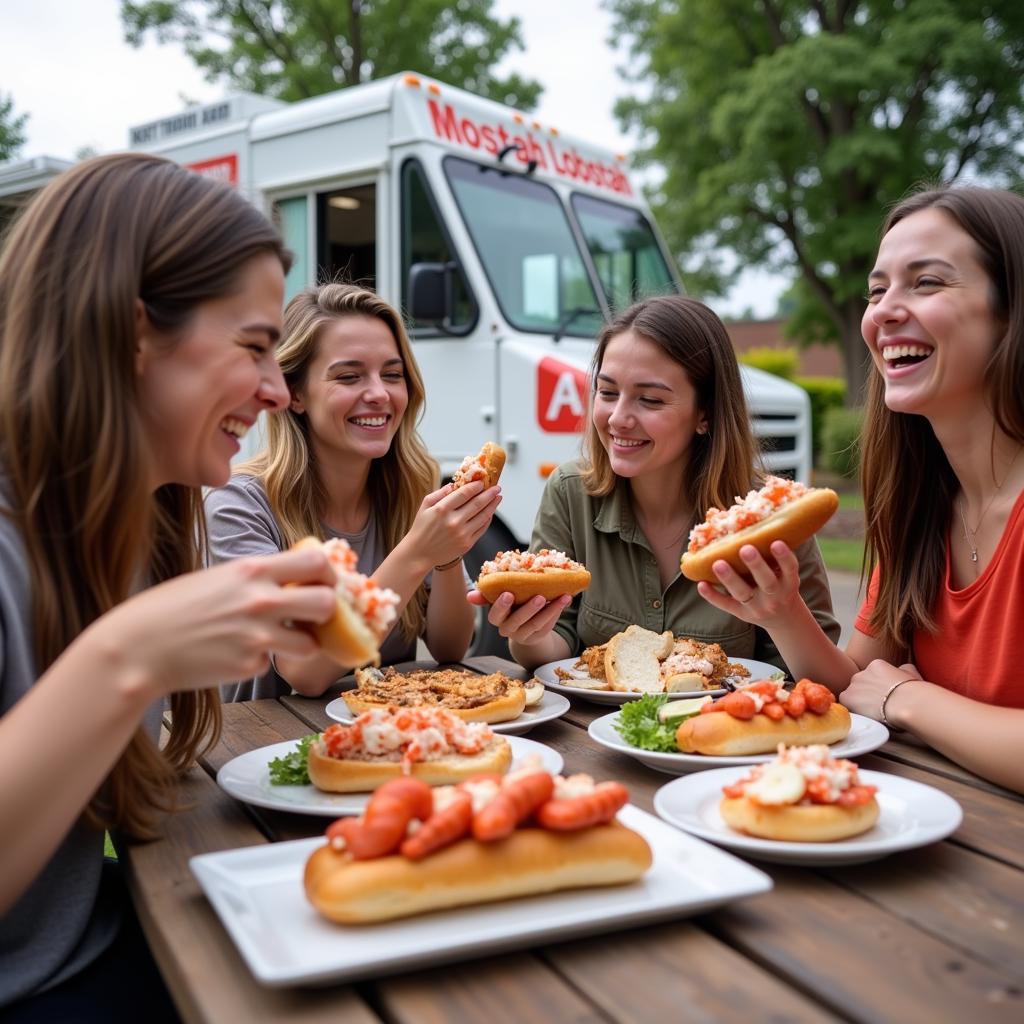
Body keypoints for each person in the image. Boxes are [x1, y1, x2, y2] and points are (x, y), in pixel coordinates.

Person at [0, 154, 341, 1020]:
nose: (276, 390)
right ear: (134, 331)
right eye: (258, 347)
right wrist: (130, 655)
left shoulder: (131, 525)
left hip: (103, 933)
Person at [698, 185, 1024, 795]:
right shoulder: (917, 509)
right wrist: (781, 612)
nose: (883, 313)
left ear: (1011, 309)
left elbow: (884, 690)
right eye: (878, 291)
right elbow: (857, 683)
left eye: (926, 283)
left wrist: (908, 698)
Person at [470, 294, 839, 674]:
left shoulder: (770, 516)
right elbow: (556, 646)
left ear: (705, 414)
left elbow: (819, 677)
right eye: (608, 392)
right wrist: (527, 635)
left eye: (649, 399)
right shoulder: (569, 491)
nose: (618, 418)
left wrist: (786, 617)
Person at [205, 283, 500, 699]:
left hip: (389, 740)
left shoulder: (411, 487)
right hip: (268, 746)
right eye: (349, 376)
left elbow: (449, 648)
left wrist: (447, 553)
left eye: (393, 375)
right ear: (295, 394)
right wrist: (416, 553)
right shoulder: (238, 505)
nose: (379, 394)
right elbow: (304, 671)